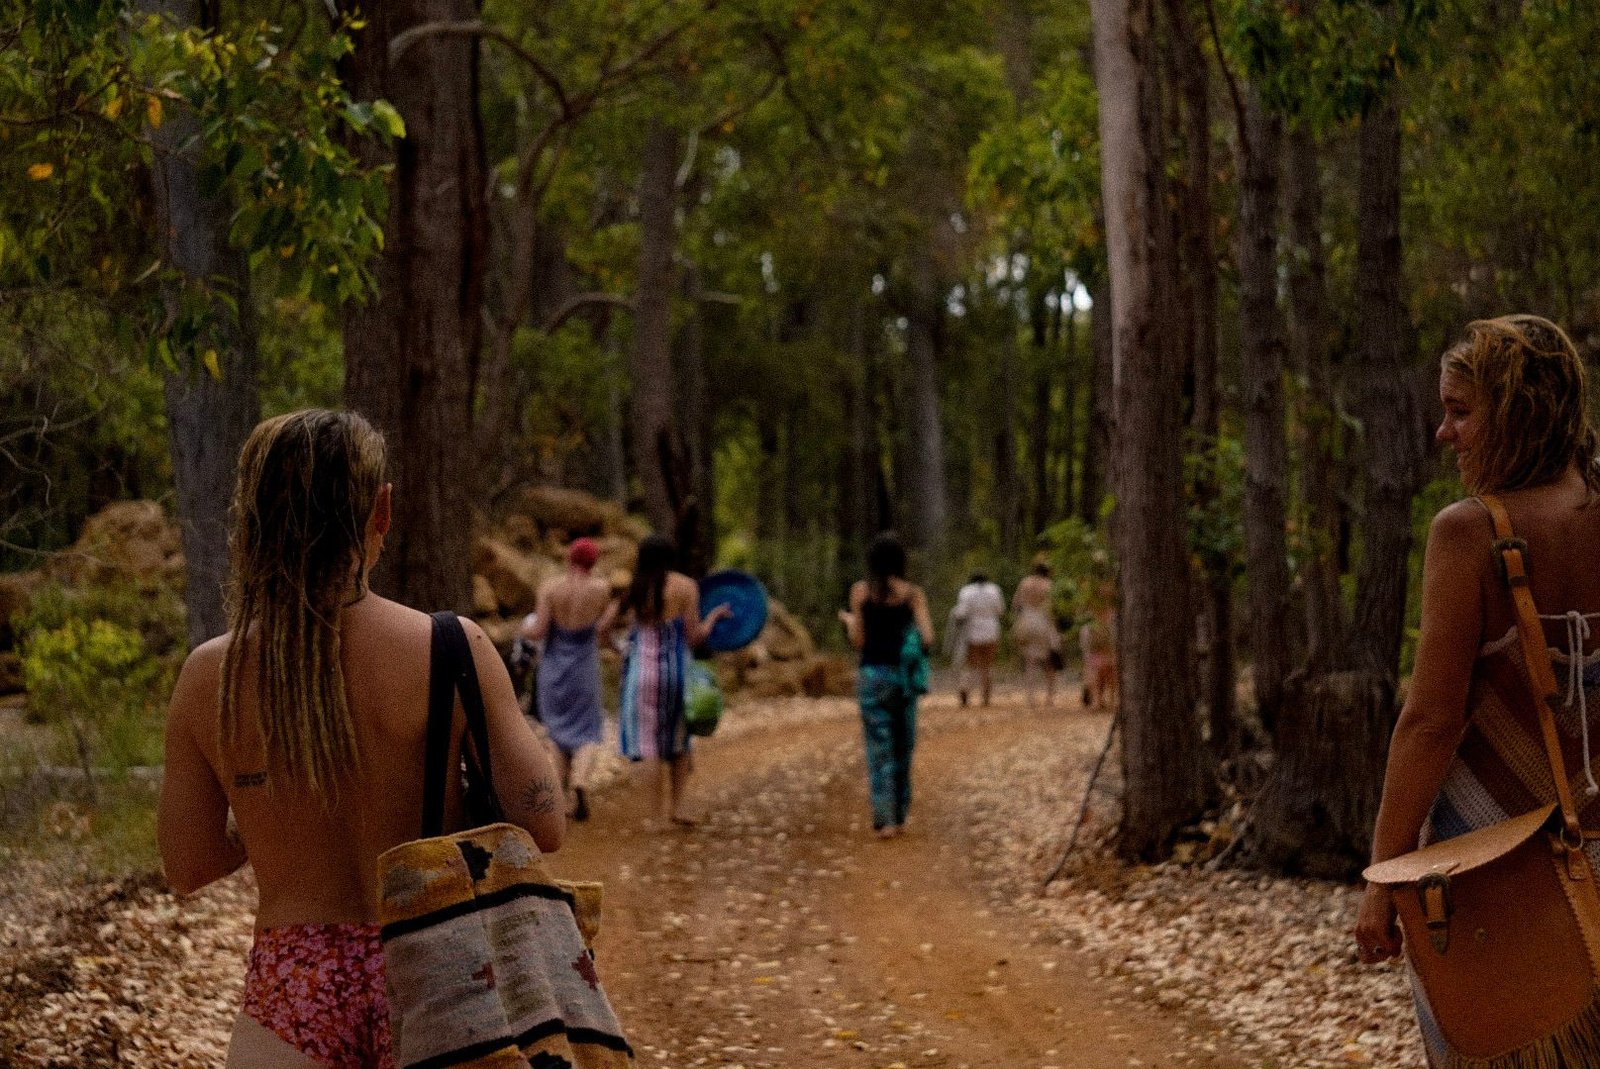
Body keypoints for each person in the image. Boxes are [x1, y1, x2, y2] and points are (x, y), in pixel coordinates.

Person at [156, 409, 564, 1069]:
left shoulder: (211, 676)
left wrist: (266, 816)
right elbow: (543, 823)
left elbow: (188, 863)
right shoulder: (452, 647)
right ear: (382, 510)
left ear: (252, 520)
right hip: (440, 969)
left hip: (295, 987)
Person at [1354, 315, 1600, 1064]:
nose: (1444, 433)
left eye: (1461, 412)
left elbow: (1429, 722)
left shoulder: (1469, 534)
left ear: (1519, 410)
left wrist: (1383, 877)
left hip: (1495, 872)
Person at [616, 534, 730, 826]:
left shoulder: (636, 588)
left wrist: (621, 648)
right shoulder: (686, 587)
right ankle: (677, 808)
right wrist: (713, 618)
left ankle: (655, 816)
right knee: (679, 741)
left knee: (648, 745)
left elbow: (603, 627)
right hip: (677, 673)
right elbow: (693, 637)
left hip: (642, 673)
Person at [839, 532, 934, 839]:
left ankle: (885, 819)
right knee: (903, 745)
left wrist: (850, 622)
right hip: (902, 679)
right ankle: (901, 815)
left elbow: (859, 641)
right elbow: (928, 638)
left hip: (871, 677)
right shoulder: (913, 595)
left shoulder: (860, 592)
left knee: (878, 749)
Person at [525, 537, 617, 823]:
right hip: (584, 668)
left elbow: (538, 631)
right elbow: (603, 630)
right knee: (588, 732)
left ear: (569, 559)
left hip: (553, 669)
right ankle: (580, 781)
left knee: (556, 733)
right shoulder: (601, 589)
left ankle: (562, 799)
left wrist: (522, 629)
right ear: (593, 562)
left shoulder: (550, 588)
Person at [951, 571, 1005, 706]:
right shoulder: (994, 590)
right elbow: (1000, 610)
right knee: (988, 664)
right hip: (991, 630)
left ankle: (965, 687)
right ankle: (986, 696)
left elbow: (961, 612)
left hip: (972, 631)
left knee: (970, 664)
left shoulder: (966, 591)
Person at [1012, 561, 1061, 707]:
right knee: (1049, 661)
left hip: (1026, 622)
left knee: (1030, 661)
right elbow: (1054, 607)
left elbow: (1015, 604)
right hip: (1044, 622)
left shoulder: (1024, 583)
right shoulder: (1048, 585)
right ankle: (1050, 697)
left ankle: (1030, 697)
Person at [1079, 596, 1118, 711]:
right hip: (1097, 658)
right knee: (1093, 669)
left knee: (1111, 667)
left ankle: (1110, 699)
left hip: (1110, 657)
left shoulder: (1113, 625)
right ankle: (1098, 700)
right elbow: (1087, 652)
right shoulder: (1088, 628)